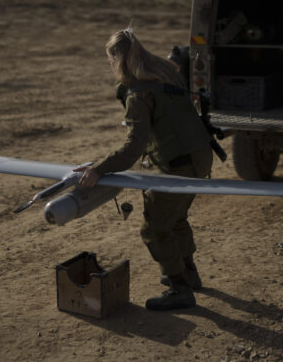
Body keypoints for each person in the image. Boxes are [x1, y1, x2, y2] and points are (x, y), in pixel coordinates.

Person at [73, 28, 213, 311]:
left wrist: (98, 170)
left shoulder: (138, 93)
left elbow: (134, 146)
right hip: (200, 158)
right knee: (176, 218)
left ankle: (180, 289)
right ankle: (189, 273)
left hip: (179, 166)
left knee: (154, 229)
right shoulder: (166, 74)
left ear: (117, 60)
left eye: (110, 61)